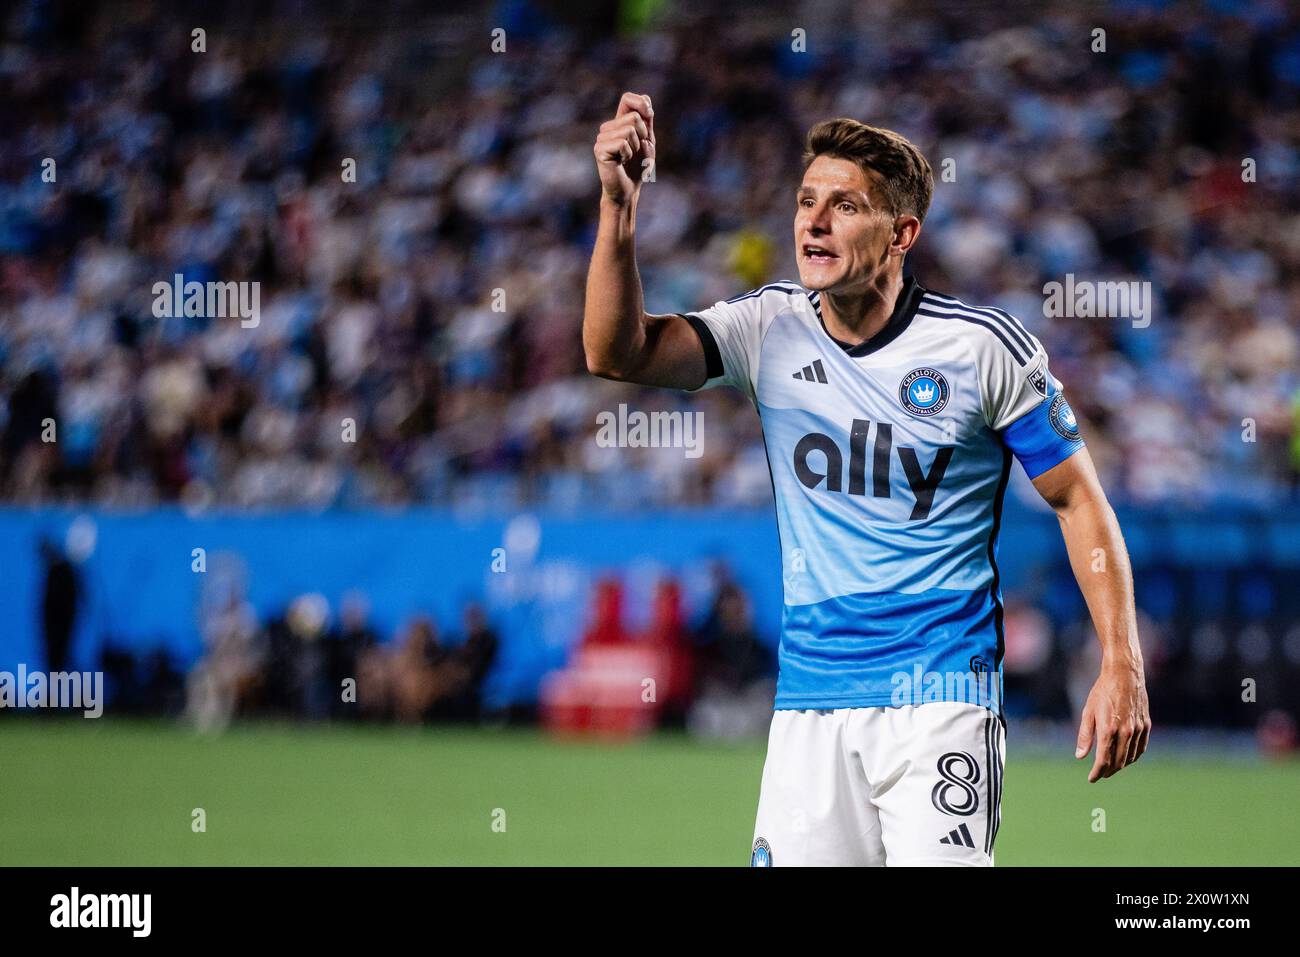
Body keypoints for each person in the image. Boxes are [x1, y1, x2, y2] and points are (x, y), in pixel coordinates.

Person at [582, 94, 1151, 866]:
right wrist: (619, 207)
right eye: (807, 201)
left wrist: (1121, 660)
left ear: (901, 234)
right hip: (811, 703)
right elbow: (618, 352)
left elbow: (1078, 499)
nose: (813, 222)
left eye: (844, 206)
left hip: (941, 700)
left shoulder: (981, 350)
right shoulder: (767, 329)